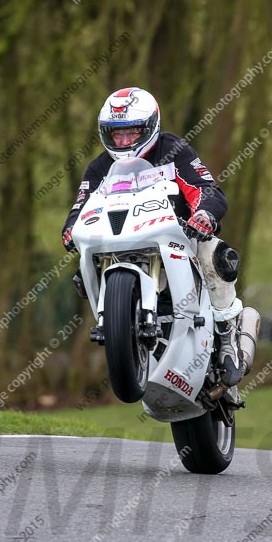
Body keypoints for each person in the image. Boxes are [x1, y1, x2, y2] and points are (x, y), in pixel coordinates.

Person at [61, 87, 245, 387]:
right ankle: (122, 326)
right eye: (115, 134)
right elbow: (81, 205)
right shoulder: (99, 167)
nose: (122, 142)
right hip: (120, 240)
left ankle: (226, 336)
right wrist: (70, 229)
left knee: (215, 255)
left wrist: (204, 215)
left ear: (149, 127)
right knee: (83, 271)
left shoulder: (175, 151)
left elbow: (206, 189)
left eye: (130, 133)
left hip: (178, 234)